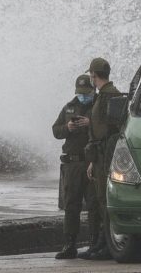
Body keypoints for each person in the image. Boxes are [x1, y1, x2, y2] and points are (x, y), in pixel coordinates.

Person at [79, 57, 122, 260]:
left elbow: (113, 131)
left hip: (106, 155)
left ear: (94, 75)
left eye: (91, 74)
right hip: (99, 155)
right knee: (100, 200)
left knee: (105, 200)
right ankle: (101, 243)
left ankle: (107, 244)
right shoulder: (103, 95)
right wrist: (92, 161)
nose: (90, 77)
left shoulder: (110, 95)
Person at [51, 74, 98, 259]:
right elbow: (56, 130)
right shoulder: (69, 107)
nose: (83, 96)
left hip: (91, 162)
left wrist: (90, 124)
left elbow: (110, 127)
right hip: (72, 163)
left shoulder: (98, 106)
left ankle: (95, 243)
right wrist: (68, 128)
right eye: (80, 93)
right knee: (71, 205)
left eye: (86, 93)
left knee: (94, 204)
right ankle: (69, 244)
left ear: (93, 90)